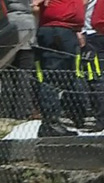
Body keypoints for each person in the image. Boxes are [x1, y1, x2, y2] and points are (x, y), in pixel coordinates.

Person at [31, 0, 87, 137]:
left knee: (66, 76)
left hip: (68, 30)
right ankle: (50, 122)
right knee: (52, 77)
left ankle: (68, 116)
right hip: (56, 30)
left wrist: (78, 30)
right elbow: (34, 5)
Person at [4, 0, 38, 119]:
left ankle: (9, 108)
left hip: (8, 23)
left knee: (9, 70)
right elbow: (35, 6)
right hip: (26, 24)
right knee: (25, 70)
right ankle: (24, 109)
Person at [79, 0, 104, 131]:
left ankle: (101, 119)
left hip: (93, 35)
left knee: (96, 77)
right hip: (95, 34)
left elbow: (80, 5)